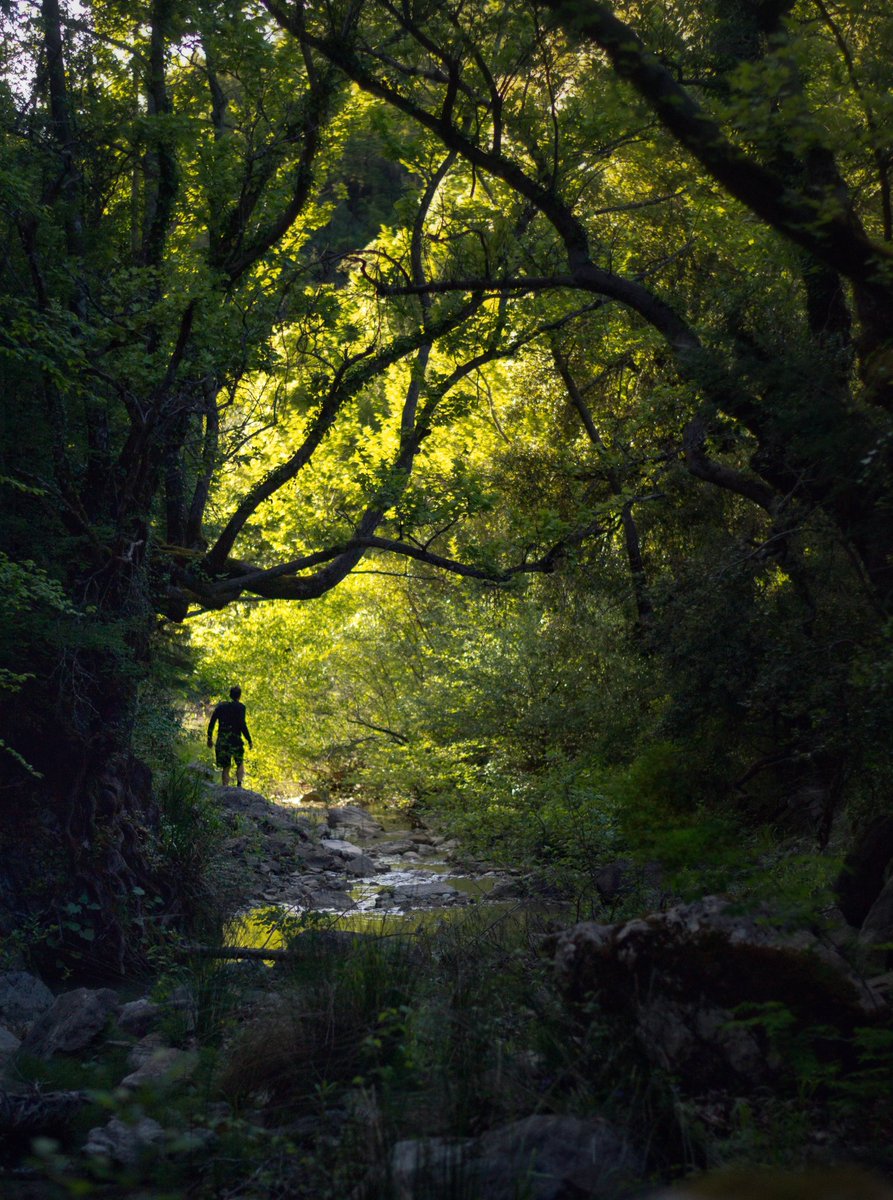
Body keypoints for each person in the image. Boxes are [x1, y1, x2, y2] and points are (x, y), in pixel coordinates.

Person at [207, 685, 253, 787]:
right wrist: (249, 739)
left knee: (226, 766)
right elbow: (242, 725)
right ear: (239, 696)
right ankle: (239, 784)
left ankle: (225, 787)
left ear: (230, 695)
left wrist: (209, 738)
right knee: (240, 762)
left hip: (222, 740)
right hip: (236, 740)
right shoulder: (241, 708)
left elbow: (212, 722)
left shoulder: (221, 707)